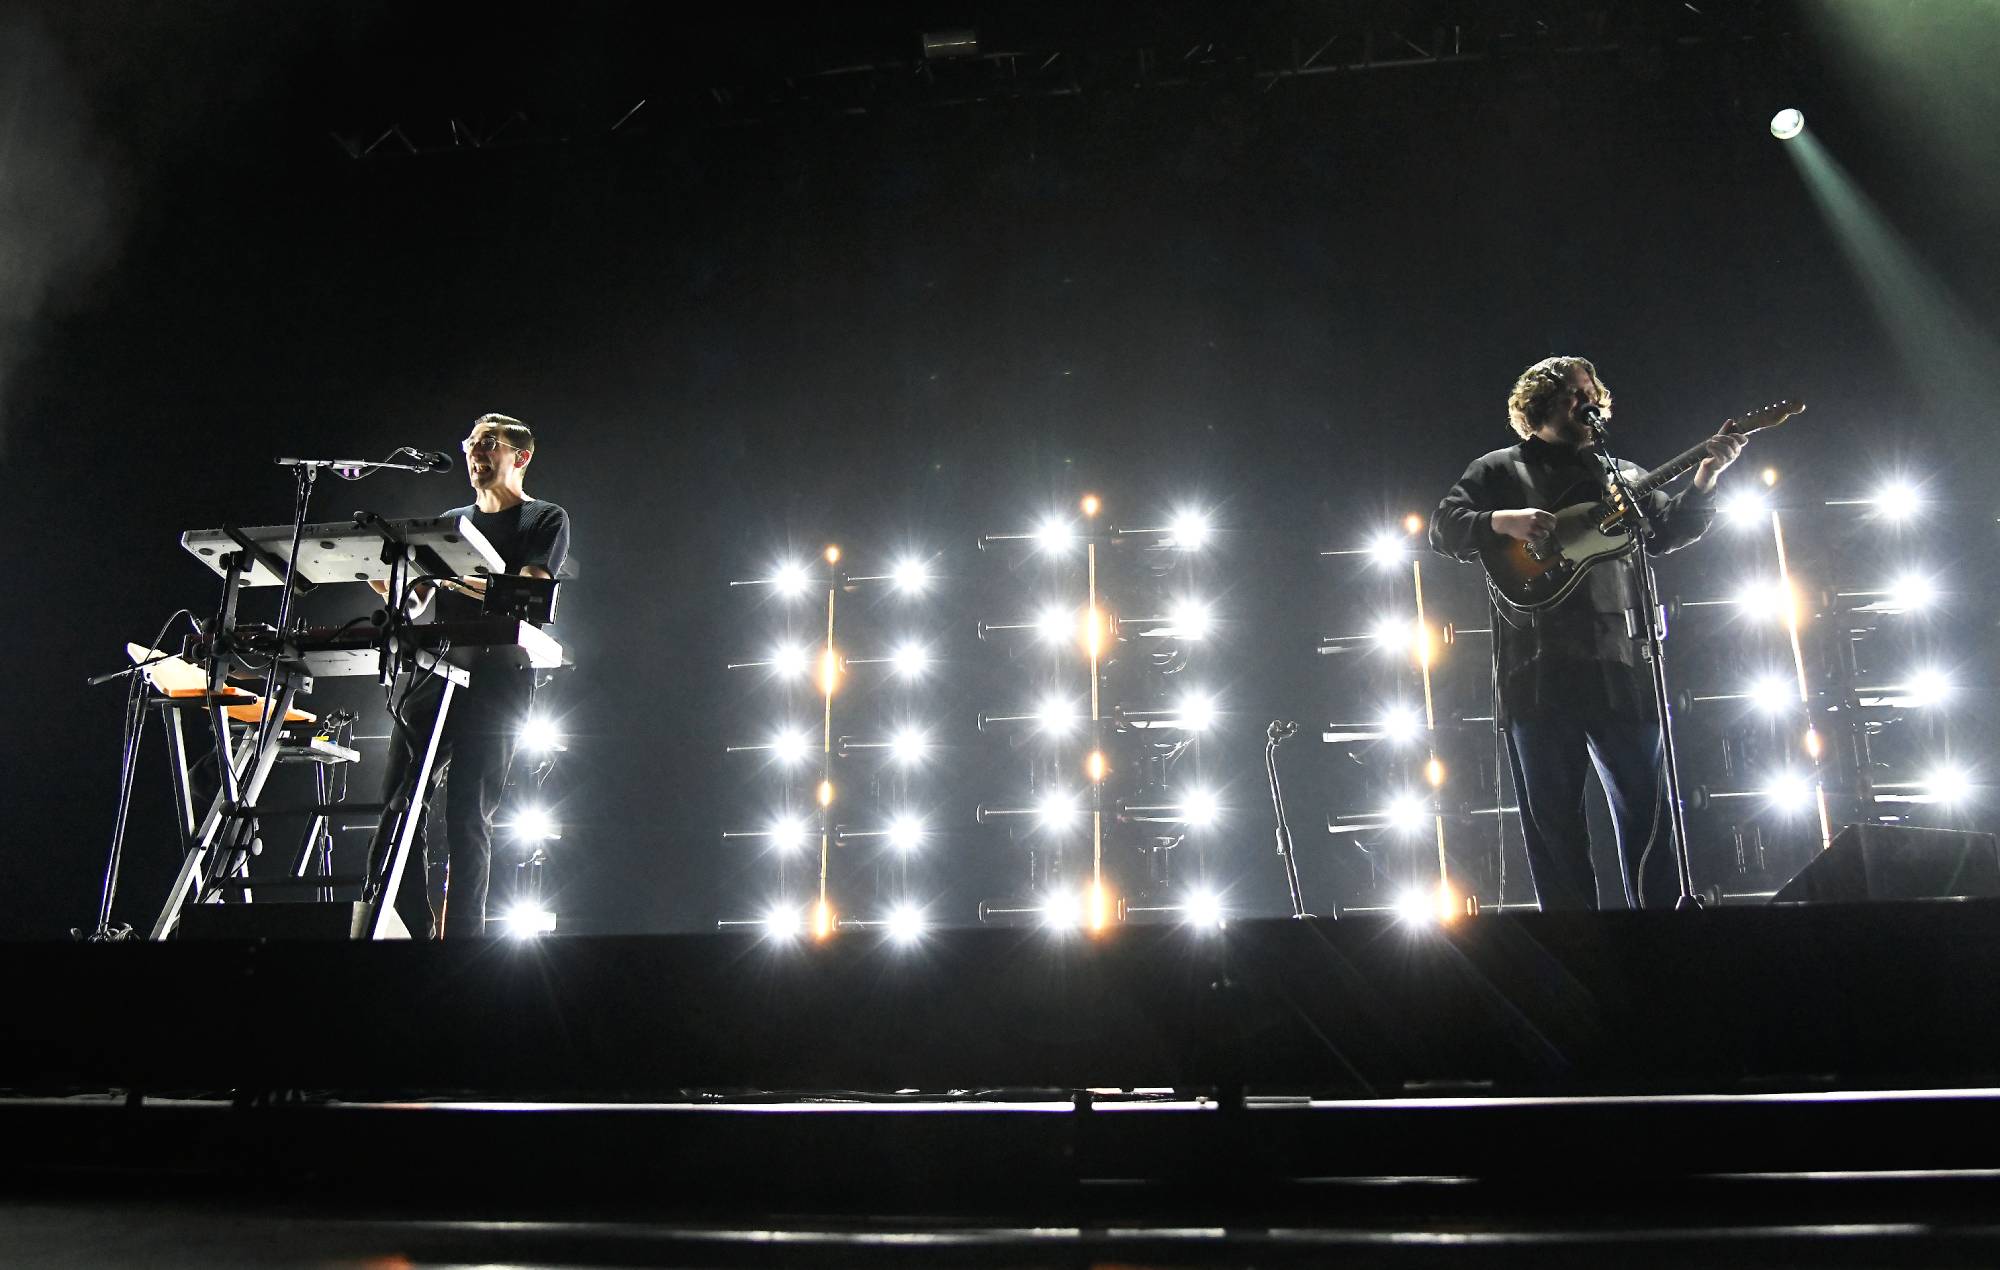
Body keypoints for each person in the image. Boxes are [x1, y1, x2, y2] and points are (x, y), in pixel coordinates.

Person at [1428, 357, 1743, 910]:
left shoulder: (1619, 473)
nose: (1587, 402)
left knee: (1649, 809)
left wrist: (1707, 476)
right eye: (1574, 394)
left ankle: (1662, 933)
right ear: (1541, 404)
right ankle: (1575, 947)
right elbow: (1444, 526)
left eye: (1591, 392)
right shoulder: (1499, 469)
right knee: (1555, 823)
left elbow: (1670, 529)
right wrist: (1504, 521)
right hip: (1538, 671)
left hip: (1622, 662)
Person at [368, 413, 570, 937]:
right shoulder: (451, 520)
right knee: (397, 803)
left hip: (500, 676)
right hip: (439, 669)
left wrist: (461, 583)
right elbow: (416, 603)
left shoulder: (544, 519)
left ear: (520, 456)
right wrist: (392, 589)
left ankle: (461, 937)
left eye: (488, 445)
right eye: (471, 445)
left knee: (468, 813)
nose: (475, 455)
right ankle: (401, 926)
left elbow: (528, 594)